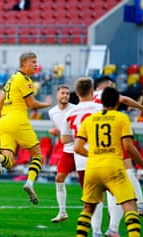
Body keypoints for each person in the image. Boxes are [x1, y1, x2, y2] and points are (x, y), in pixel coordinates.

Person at [74, 87, 143, 237]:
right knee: (130, 205)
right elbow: (128, 148)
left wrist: (94, 155)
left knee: (88, 209)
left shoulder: (89, 120)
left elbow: (77, 147)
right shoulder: (121, 118)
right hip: (114, 167)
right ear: (118, 102)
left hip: (92, 168)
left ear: (101, 101)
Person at [0, 51, 52, 205]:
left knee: (9, 162)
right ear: (24, 64)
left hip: (4, 121)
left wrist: (0, 123)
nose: (36, 65)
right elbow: (32, 104)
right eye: (33, 62)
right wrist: (47, 103)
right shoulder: (25, 80)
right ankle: (29, 183)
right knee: (38, 155)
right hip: (18, 119)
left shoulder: (10, 80)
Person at [60, 77, 103, 237]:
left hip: (82, 160)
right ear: (92, 91)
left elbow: (64, 139)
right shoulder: (101, 108)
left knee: (91, 199)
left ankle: (96, 232)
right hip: (103, 157)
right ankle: (113, 228)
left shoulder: (70, 113)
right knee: (114, 195)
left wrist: (79, 137)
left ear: (76, 93)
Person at [48, 84, 76, 223]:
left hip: (82, 150)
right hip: (67, 150)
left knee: (92, 182)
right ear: (57, 95)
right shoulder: (52, 112)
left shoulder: (75, 110)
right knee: (59, 178)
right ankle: (62, 212)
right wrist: (56, 132)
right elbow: (62, 130)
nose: (65, 95)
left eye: (67, 93)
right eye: (63, 93)